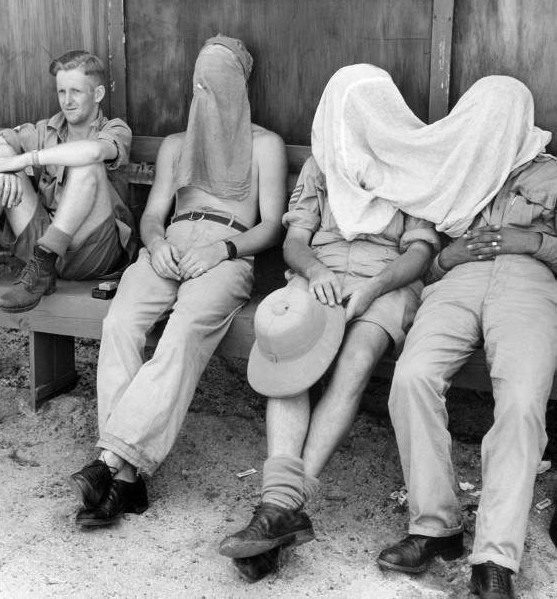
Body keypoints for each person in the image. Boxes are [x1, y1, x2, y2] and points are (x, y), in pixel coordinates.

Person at [217, 66, 442, 582]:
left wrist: (371, 289)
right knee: (286, 357)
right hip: (319, 276)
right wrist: (315, 271)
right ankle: (280, 508)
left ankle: (280, 506)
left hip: (383, 282)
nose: (345, 123)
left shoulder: (410, 164)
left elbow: (421, 251)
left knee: (356, 358)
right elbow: (296, 239)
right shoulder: (322, 163)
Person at [69, 35, 287, 527]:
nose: (208, 92)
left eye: (220, 83)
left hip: (227, 249)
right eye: (201, 84)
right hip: (169, 244)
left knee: (183, 331)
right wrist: (156, 243)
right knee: (121, 323)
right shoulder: (175, 145)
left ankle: (110, 466)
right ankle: (125, 482)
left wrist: (222, 249)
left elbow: (271, 226)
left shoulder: (264, 145)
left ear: (241, 87)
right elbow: (152, 216)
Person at [374, 91, 557, 597]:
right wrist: (445, 258)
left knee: (521, 400)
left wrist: (535, 244)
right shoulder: (454, 167)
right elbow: (425, 258)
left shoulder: (552, 174)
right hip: (457, 281)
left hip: (530, 282)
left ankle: (495, 558)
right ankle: (435, 528)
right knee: (411, 378)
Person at [0, 50, 136, 313]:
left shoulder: (115, 129)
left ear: (98, 94)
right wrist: (0, 169)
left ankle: (45, 261)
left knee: (87, 165)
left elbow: (92, 152)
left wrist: (24, 160)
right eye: (61, 92)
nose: (67, 101)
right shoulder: (46, 129)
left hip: (93, 253)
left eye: (76, 92)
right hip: (40, 257)